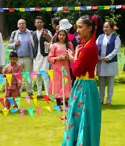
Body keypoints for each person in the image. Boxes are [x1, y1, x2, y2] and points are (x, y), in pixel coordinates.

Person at [62, 15, 101, 146]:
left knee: (82, 118)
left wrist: (74, 58)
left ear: (89, 28)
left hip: (85, 87)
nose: (77, 30)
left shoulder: (89, 47)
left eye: (80, 27)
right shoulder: (86, 44)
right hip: (82, 85)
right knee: (78, 117)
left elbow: (76, 70)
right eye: (76, 27)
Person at [96, 22, 121, 105]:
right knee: (101, 82)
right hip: (101, 62)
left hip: (110, 63)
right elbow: (95, 47)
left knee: (110, 82)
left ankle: (109, 100)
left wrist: (109, 57)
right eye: (104, 27)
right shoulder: (100, 37)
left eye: (107, 27)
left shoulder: (116, 38)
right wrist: (97, 55)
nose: (105, 29)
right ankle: (100, 99)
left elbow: (116, 49)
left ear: (111, 28)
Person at [8, 19, 34, 97]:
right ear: (17, 25)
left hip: (28, 58)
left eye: (23, 23)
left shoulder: (31, 33)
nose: (21, 25)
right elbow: (9, 45)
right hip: (17, 59)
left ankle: (30, 92)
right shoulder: (14, 33)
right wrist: (15, 44)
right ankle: (18, 92)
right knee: (18, 76)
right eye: (20, 24)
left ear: (25, 25)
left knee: (28, 76)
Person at [48, 29, 74, 107]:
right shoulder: (54, 45)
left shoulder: (69, 44)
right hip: (56, 68)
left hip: (65, 67)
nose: (61, 36)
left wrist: (67, 57)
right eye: (60, 35)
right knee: (57, 84)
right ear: (57, 36)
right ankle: (58, 102)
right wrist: (57, 58)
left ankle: (65, 103)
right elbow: (50, 57)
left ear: (66, 36)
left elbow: (73, 55)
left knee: (65, 83)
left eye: (63, 35)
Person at [32, 16, 52, 98]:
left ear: (43, 23)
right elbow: (33, 45)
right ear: (35, 24)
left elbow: (52, 43)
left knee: (45, 75)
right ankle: (39, 93)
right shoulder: (33, 34)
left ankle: (48, 93)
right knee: (37, 75)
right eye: (37, 22)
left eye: (41, 22)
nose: (39, 23)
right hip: (36, 57)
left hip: (45, 57)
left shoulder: (47, 32)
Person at [59, 19, 79, 86]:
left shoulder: (56, 37)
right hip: (70, 62)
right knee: (71, 79)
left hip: (59, 63)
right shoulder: (73, 38)